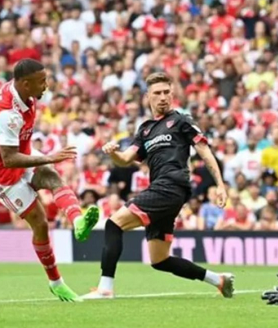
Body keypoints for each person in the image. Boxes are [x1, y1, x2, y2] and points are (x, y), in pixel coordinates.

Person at [82, 72, 235, 299]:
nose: (163, 97)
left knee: (114, 225)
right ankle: (219, 280)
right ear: (148, 97)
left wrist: (220, 184)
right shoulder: (145, 130)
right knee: (160, 260)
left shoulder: (182, 120)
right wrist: (113, 153)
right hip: (164, 190)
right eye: (157, 93)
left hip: (171, 185)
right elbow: (125, 159)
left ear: (172, 93)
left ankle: (105, 288)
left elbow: (204, 150)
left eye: (166, 92)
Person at [0, 59, 100, 302]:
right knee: (41, 224)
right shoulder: (7, 114)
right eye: (41, 81)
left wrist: (44, 161)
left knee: (52, 176)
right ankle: (56, 283)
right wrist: (48, 156)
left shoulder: (26, 95)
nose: (46, 85)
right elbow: (9, 159)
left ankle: (78, 222)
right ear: (25, 84)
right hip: (2, 174)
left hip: (22, 154)